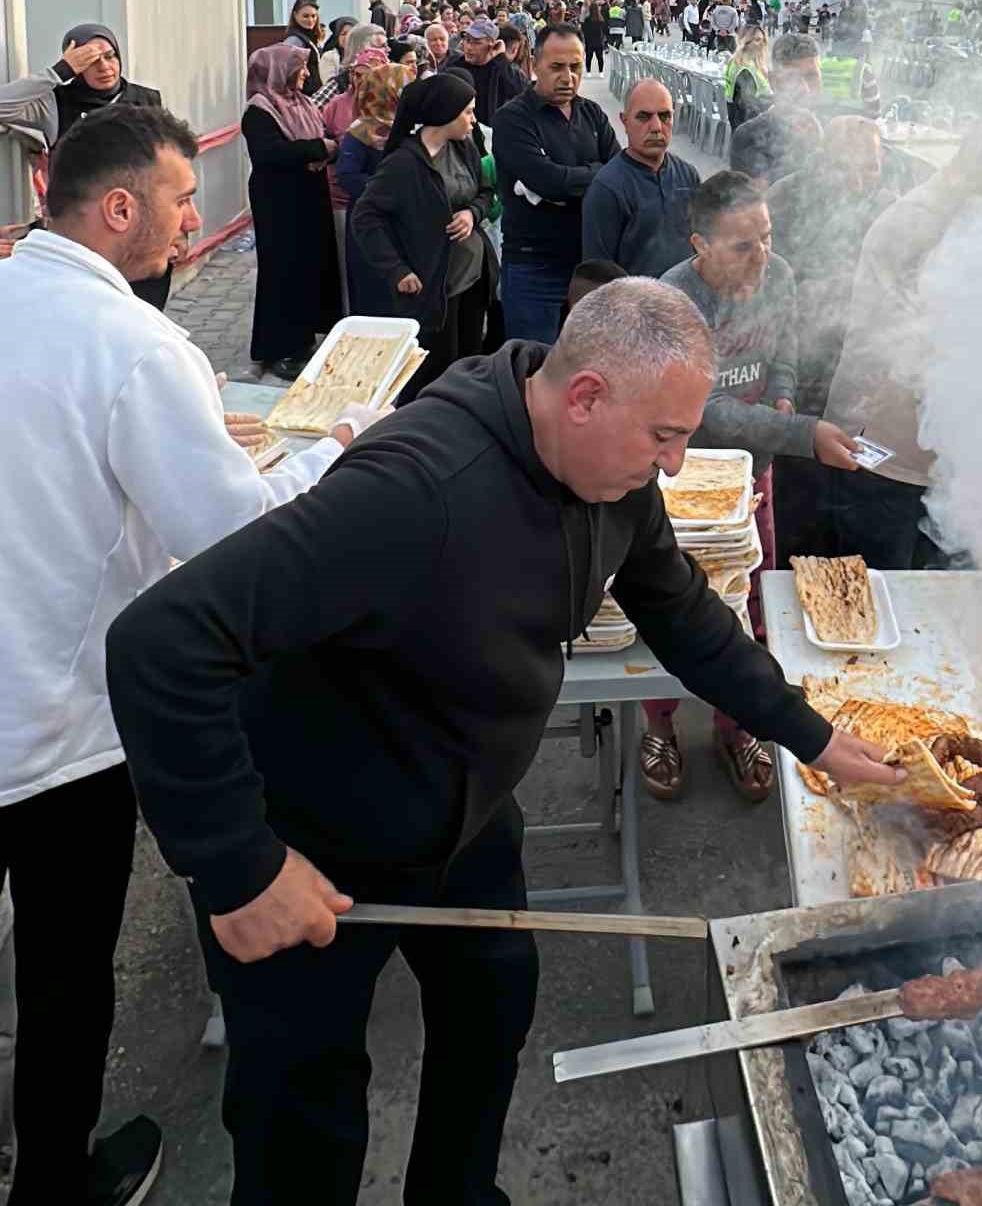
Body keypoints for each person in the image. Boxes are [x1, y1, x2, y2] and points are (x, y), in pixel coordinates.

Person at [104, 278, 900, 1206]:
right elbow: (161, 643)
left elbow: (680, 610)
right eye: (664, 438)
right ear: (587, 395)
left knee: (491, 1006)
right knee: (304, 1113)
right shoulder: (416, 490)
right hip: (315, 840)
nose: (676, 466)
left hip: (467, 816)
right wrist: (236, 865)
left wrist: (812, 734)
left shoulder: (613, 475)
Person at [0, 103, 376, 1206]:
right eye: (175, 200)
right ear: (119, 208)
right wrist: (334, 454)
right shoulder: (134, 343)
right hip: (57, 729)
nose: (191, 219)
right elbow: (231, 537)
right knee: (66, 974)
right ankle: (53, 1182)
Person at [648, 173, 862, 803]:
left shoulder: (781, 275)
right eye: (743, 246)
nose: (761, 256)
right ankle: (657, 722)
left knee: (748, 603)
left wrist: (786, 398)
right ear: (700, 244)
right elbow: (706, 411)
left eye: (766, 238)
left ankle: (738, 725)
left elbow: (785, 351)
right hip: (685, 479)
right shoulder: (671, 302)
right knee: (668, 602)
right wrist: (800, 430)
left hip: (758, 468)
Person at [824, 122, 982, 568]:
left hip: (944, 455)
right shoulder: (920, 226)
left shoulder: (969, 216)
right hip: (888, 451)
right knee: (881, 586)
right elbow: (894, 345)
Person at [767, 116, 928, 557]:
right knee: (798, 504)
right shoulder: (784, 199)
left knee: (855, 498)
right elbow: (765, 289)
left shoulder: (895, 213)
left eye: (869, 168)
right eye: (845, 167)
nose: (858, 181)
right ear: (821, 163)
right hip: (801, 373)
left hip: (863, 380)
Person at [0, 22, 169, 307]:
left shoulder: (146, 99)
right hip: (83, 233)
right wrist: (58, 72)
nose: (105, 67)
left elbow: (165, 164)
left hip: (138, 226)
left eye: (110, 56)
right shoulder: (56, 104)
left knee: (142, 312)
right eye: (90, 61)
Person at [352, 73, 497, 400]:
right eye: (468, 112)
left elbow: (486, 192)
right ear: (445, 113)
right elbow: (366, 217)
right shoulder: (404, 163)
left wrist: (472, 213)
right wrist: (396, 269)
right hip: (434, 286)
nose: (474, 120)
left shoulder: (465, 148)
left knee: (470, 363)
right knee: (433, 372)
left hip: (472, 276)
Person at [491, 24, 619, 341]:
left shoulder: (592, 114)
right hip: (534, 267)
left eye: (575, 67)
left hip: (588, 266)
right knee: (535, 369)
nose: (568, 77)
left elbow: (619, 174)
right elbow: (549, 182)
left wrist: (569, 180)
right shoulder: (513, 119)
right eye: (557, 67)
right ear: (535, 65)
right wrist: (593, 173)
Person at [243, 45, 343, 380]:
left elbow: (321, 136)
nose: (304, 74)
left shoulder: (301, 103)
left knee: (309, 265)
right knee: (283, 270)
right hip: (279, 201)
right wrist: (319, 149)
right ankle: (280, 347)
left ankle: (303, 340)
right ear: (278, 71)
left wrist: (328, 147)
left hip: (309, 195)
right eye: (298, 68)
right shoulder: (260, 110)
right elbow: (270, 152)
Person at [582, 79, 699, 276]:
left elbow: (703, 246)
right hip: (633, 303)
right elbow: (597, 275)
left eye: (664, 116)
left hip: (685, 300)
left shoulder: (688, 176)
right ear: (624, 121)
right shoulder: (607, 188)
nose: (656, 127)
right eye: (644, 117)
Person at [335, 62, 413, 316]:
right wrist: (388, 192)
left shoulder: (408, 128)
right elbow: (347, 176)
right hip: (371, 223)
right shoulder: (360, 133)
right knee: (375, 297)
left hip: (404, 222)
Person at [729, 32, 826, 183]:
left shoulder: (835, 129)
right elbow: (755, 203)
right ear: (774, 81)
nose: (805, 88)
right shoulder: (749, 137)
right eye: (792, 78)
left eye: (811, 76)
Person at [445, 18, 529, 125]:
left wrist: (501, 58)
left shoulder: (502, 69)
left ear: (492, 45)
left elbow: (521, 92)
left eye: (477, 43)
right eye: (467, 40)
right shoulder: (454, 64)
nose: (469, 47)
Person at [724, 24, 773, 130]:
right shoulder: (746, 70)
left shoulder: (737, 61)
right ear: (745, 42)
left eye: (763, 40)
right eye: (757, 40)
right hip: (750, 130)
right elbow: (748, 108)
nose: (761, 44)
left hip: (740, 125)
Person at [282, 0, 324, 88]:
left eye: (313, 16)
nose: (310, 20)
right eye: (305, 16)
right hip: (303, 95)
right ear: (295, 15)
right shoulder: (294, 41)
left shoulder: (314, 39)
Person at [319, 17, 355, 86]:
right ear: (337, 37)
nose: (347, 37)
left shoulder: (364, 55)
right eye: (343, 34)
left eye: (351, 33)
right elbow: (330, 85)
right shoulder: (329, 57)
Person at [582, 0, 608, 75]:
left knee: (589, 57)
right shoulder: (601, 20)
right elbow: (604, 29)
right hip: (599, 41)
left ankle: (588, 72)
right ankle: (601, 72)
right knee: (600, 57)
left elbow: (584, 30)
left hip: (589, 41)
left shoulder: (587, 20)